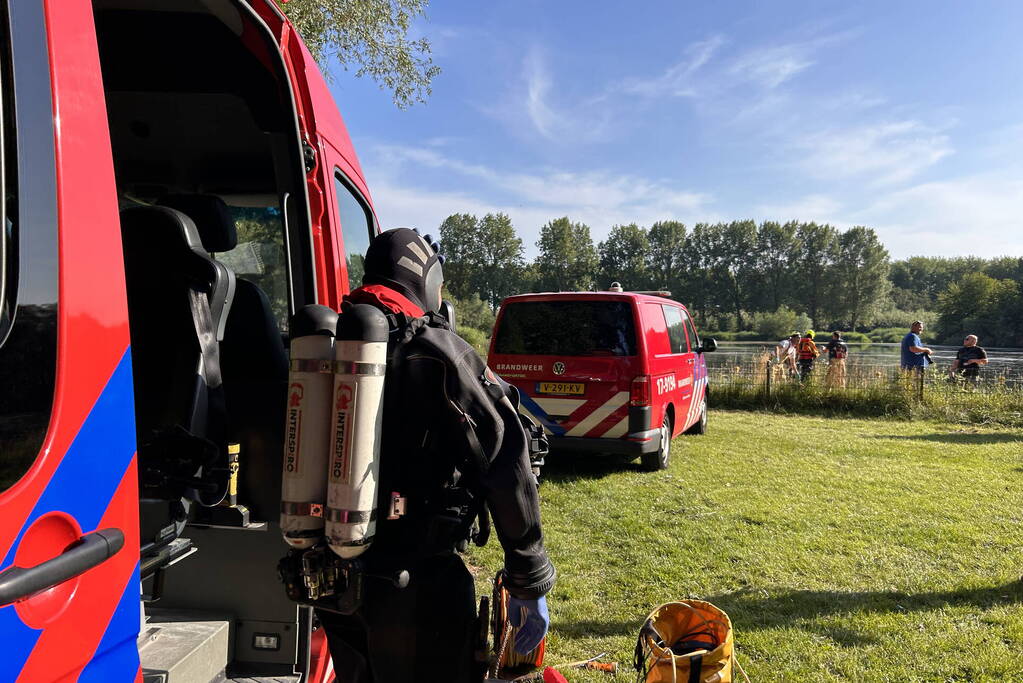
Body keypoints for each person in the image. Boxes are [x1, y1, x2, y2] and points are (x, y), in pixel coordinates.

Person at [317, 228, 556, 683]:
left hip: (331, 577)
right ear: (424, 278)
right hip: (416, 583)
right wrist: (529, 576)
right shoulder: (437, 350)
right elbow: (505, 458)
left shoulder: (325, 342)